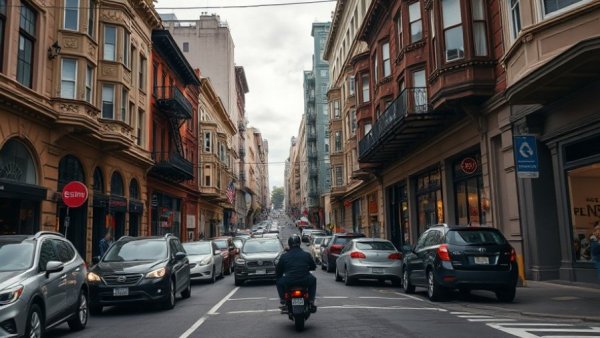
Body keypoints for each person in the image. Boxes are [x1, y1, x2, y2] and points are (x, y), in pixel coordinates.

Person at [276, 234, 317, 312]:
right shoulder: (306, 255)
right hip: (304, 279)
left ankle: (283, 299)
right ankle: (311, 300)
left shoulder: (284, 256)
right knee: (313, 280)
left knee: (278, 281)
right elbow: (313, 266)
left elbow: (278, 270)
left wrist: (279, 275)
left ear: (289, 244)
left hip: (289, 281)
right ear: (299, 243)